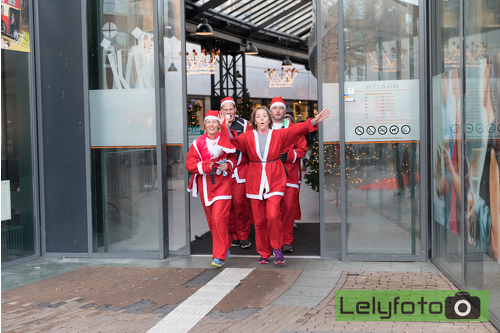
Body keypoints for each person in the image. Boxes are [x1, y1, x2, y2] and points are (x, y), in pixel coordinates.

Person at [219, 106, 330, 264]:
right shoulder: (248, 136)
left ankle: (277, 248)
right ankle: (264, 252)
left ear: (269, 119)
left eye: (265, 115)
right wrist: (225, 125)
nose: (262, 118)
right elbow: (232, 142)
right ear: (255, 121)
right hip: (255, 181)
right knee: (259, 221)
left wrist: (313, 121)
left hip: (275, 179)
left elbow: (296, 131)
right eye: (259, 116)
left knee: (272, 216)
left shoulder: (278, 134)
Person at [186, 110, 237, 267]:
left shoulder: (225, 140)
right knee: (211, 221)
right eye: (209, 122)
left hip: (223, 183)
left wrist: (227, 164)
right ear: (204, 125)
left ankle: (219, 256)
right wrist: (206, 165)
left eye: (215, 122)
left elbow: (233, 158)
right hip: (205, 185)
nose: (211, 125)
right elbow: (189, 164)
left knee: (218, 218)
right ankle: (226, 243)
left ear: (218, 124)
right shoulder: (198, 143)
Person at [270, 97, 307, 253]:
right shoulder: (263, 127)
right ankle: (274, 240)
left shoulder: (294, 128)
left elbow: (302, 149)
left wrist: (290, 155)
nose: (278, 111)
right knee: (272, 211)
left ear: (285, 111)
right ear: (270, 111)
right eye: (275, 108)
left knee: (288, 208)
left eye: (281, 108)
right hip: (269, 176)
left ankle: (286, 240)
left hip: (290, 176)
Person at [220, 96, 253, 249]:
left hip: (240, 170)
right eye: (225, 110)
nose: (228, 112)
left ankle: (244, 235)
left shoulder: (245, 124)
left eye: (231, 109)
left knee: (240, 203)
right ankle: (234, 235)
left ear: (235, 110)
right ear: (221, 111)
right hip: (224, 172)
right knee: (229, 205)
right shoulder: (216, 124)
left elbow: (250, 145)